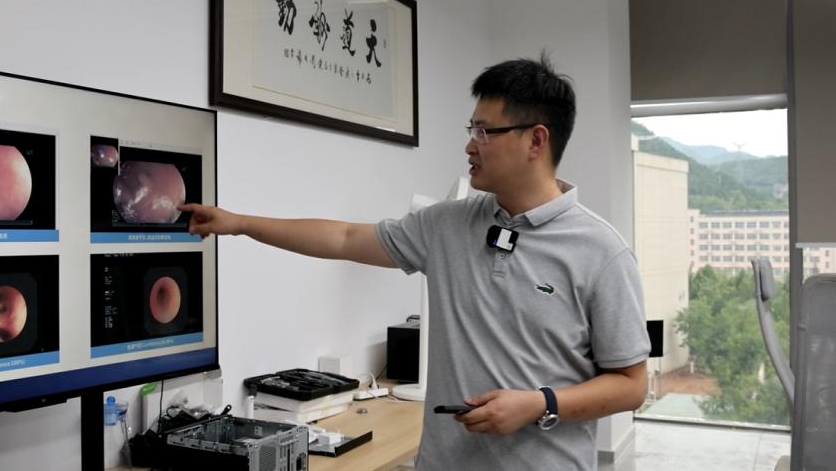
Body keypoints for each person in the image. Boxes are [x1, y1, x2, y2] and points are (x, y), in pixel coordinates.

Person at [178, 54, 649, 470]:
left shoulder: (601, 252)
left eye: (485, 131)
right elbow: (343, 238)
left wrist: (539, 404)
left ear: (536, 141)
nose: (470, 145)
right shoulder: (446, 224)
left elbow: (631, 385)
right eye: (471, 130)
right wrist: (239, 223)